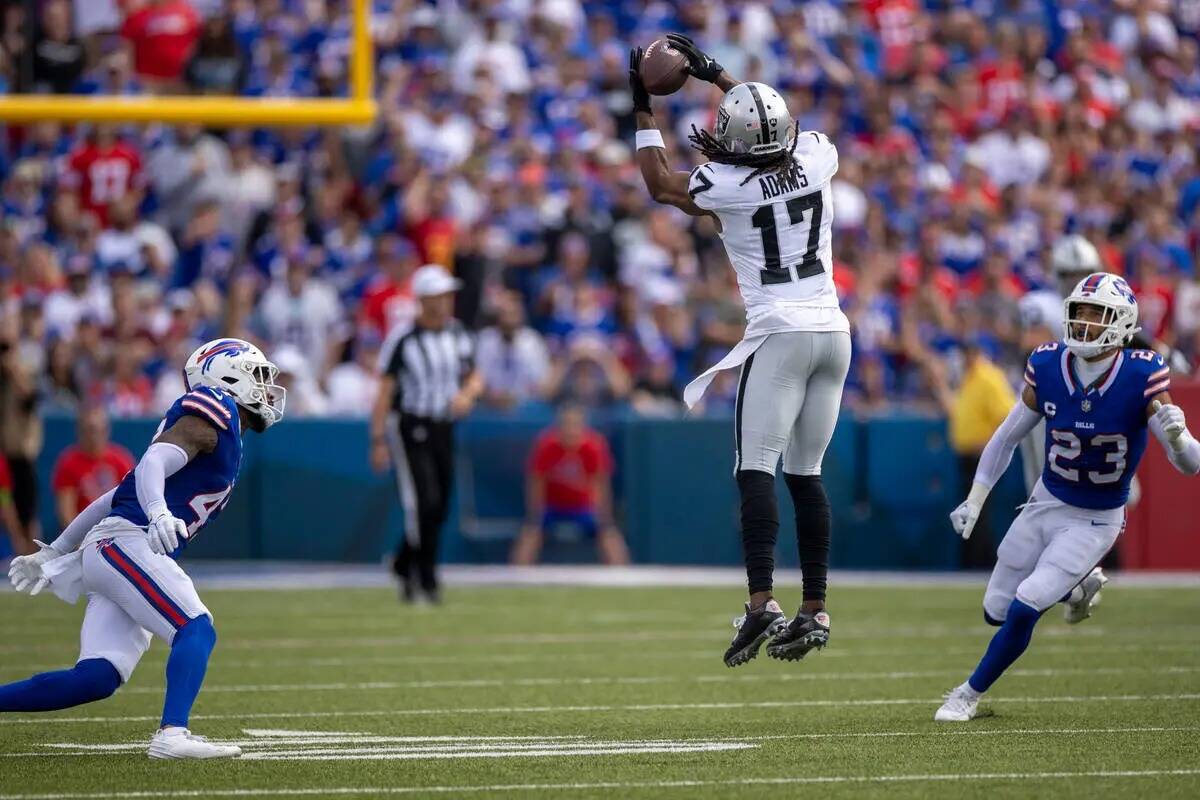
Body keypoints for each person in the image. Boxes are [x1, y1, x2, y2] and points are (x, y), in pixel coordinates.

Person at [630, 36, 850, 667]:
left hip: (779, 331)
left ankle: (761, 602)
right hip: (833, 332)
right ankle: (815, 608)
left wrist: (642, 101)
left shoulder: (726, 186)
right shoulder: (817, 153)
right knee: (806, 476)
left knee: (755, 469)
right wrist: (717, 74)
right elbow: (766, 123)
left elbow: (657, 182)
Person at [2, 338, 285, 758]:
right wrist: (157, 512)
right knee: (195, 626)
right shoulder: (215, 407)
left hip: (114, 545)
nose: (265, 388)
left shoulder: (220, 429)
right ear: (227, 377)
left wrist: (55, 550)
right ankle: (172, 734)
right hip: (126, 542)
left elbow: (116, 492)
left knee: (97, 677)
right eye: (257, 376)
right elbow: (153, 462)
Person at [937, 274, 1200, 722]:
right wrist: (976, 499)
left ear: (1120, 322)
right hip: (1045, 501)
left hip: (1095, 517)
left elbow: (1189, 464)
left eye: (1096, 315)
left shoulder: (1141, 373)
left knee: (1026, 604)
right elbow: (1006, 437)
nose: (1083, 322)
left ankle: (966, 694)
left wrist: (1178, 440)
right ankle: (1076, 586)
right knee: (994, 610)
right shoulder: (1048, 364)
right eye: (1079, 312)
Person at [370, 265, 482, 604]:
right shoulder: (403, 339)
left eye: (448, 295)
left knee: (441, 504)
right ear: (423, 299)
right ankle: (426, 577)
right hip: (411, 424)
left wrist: (467, 394)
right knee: (423, 501)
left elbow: (475, 376)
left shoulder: (458, 333)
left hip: (444, 424)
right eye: (439, 295)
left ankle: (404, 562)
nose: (446, 301)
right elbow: (385, 392)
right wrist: (377, 440)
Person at [511, 404, 630, 566]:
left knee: (609, 535)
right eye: (566, 425)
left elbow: (601, 484)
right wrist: (535, 514)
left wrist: (604, 516)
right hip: (551, 507)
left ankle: (620, 579)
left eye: (574, 425)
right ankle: (518, 578)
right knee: (530, 534)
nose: (570, 430)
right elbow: (536, 483)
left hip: (583, 507)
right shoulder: (547, 444)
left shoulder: (593, 445)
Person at [947, 341, 1016, 569]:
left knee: (979, 513)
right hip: (968, 457)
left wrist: (989, 445)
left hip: (982, 457)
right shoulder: (969, 378)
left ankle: (981, 565)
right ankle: (972, 563)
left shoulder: (989, 378)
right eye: (965, 351)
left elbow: (1008, 417)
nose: (968, 356)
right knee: (970, 513)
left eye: (972, 351)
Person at [51, 406, 135, 530]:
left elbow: (132, 503)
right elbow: (66, 512)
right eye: (89, 430)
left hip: (115, 533)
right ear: (79, 431)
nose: (94, 436)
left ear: (107, 430)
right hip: (82, 535)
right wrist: (78, 543)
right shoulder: (68, 463)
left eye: (99, 430)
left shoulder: (122, 460)